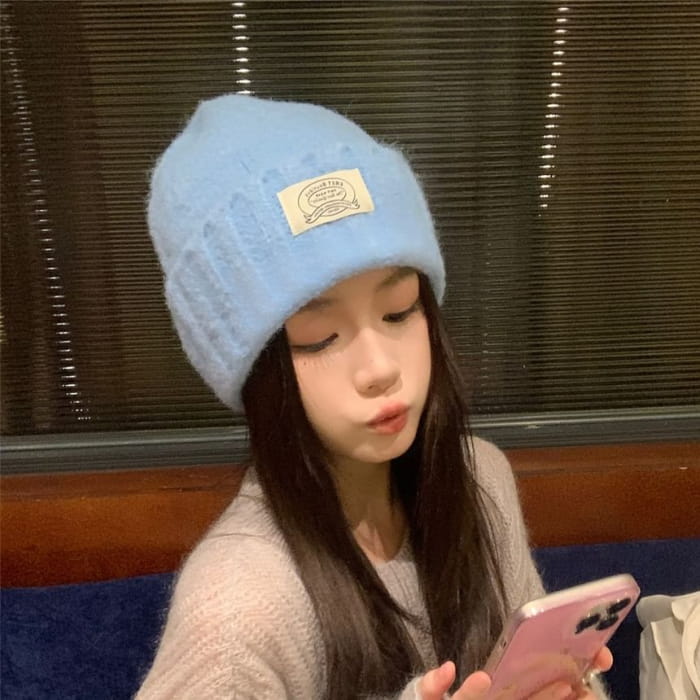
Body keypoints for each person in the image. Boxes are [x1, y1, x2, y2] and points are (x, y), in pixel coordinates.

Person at [138, 94, 612, 700]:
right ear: (256, 372)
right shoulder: (238, 607)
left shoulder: (480, 479)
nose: (381, 368)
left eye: (398, 310)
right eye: (319, 337)